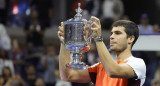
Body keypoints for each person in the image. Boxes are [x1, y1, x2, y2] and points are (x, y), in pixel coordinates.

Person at [58, 16, 146, 86]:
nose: (112, 37)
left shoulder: (138, 63)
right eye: (111, 33)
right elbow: (68, 75)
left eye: (118, 33)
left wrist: (98, 38)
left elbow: (113, 71)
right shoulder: (100, 66)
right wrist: (64, 42)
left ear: (130, 38)